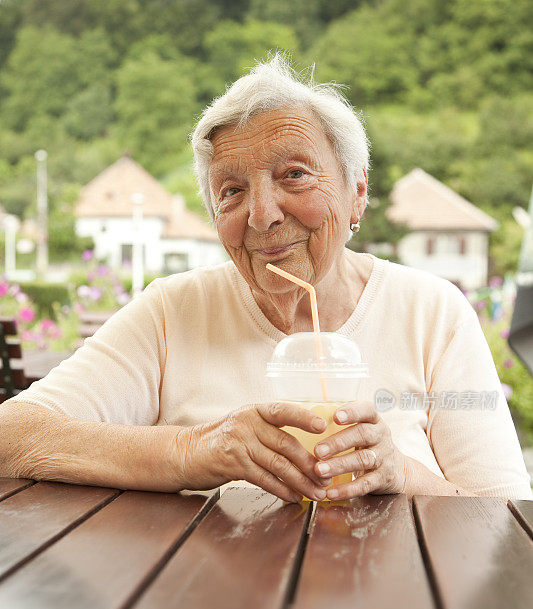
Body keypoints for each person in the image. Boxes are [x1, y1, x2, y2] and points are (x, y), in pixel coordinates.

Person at [0, 56, 531, 501]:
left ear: (357, 193)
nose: (262, 214)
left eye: (293, 174)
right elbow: (12, 436)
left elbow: (508, 516)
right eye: (230, 191)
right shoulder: (173, 312)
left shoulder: (432, 312)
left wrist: (401, 473)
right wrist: (194, 451)